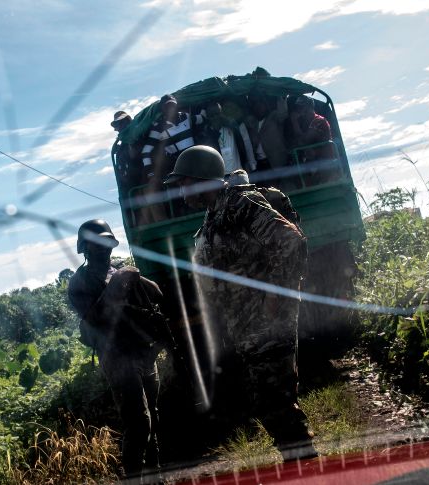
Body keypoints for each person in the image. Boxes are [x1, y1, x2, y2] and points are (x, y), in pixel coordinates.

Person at [164, 146, 319, 462]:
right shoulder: (212, 217)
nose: (180, 191)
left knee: (276, 404)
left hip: (267, 324)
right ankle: (302, 465)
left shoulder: (241, 204)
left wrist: (275, 297)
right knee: (268, 405)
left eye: (184, 183)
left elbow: (290, 242)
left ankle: (308, 468)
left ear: (201, 180)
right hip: (246, 329)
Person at [67, 219, 170, 482]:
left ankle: (155, 476)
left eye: (107, 243)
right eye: (97, 244)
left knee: (153, 419)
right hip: (117, 358)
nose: (104, 249)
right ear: (85, 248)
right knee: (138, 423)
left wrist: (136, 278)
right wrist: (118, 283)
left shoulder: (118, 272)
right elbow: (95, 317)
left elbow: (157, 295)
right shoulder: (81, 282)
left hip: (143, 353)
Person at [140, 94, 206, 222]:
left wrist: (204, 102)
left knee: (202, 195)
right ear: (163, 109)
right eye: (167, 106)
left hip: (195, 166)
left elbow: (202, 118)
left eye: (173, 105)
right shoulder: (158, 126)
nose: (171, 108)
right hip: (177, 169)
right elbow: (146, 152)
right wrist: (151, 174)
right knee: (183, 200)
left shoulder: (186, 117)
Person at [244, 93, 296, 190]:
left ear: (265, 105)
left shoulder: (274, 117)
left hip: (277, 161)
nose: (259, 107)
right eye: (256, 105)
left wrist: (281, 95)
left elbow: (283, 113)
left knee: (283, 188)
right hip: (261, 164)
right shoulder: (252, 123)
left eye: (261, 104)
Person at [288, 95, 339, 185]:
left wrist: (294, 121)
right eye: (298, 108)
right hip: (315, 163)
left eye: (302, 107)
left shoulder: (319, 121)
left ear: (309, 107)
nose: (300, 111)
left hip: (325, 163)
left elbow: (304, 141)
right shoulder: (305, 124)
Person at [198, 102, 257, 176]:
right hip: (222, 176)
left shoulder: (231, 127)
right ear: (208, 117)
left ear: (221, 113)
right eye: (212, 115)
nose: (215, 117)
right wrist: (215, 130)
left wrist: (247, 163)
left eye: (217, 114)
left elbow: (243, 145)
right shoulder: (207, 134)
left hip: (239, 171)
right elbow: (211, 147)